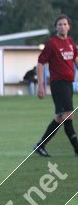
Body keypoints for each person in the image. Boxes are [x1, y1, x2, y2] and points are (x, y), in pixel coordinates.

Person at [33, 14, 78, 157]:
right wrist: (40, 85)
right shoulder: (52, 43)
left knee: (61, 117)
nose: (62, 26)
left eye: (65, 24)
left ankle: (40, 145)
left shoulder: (71, 42)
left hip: (69, 83)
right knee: (68, 115)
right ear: (56, 27)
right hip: (58, 84)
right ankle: (76, 148)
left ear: (69, 26)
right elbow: (40, 63)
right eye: (59, 24)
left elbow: (75, 59)